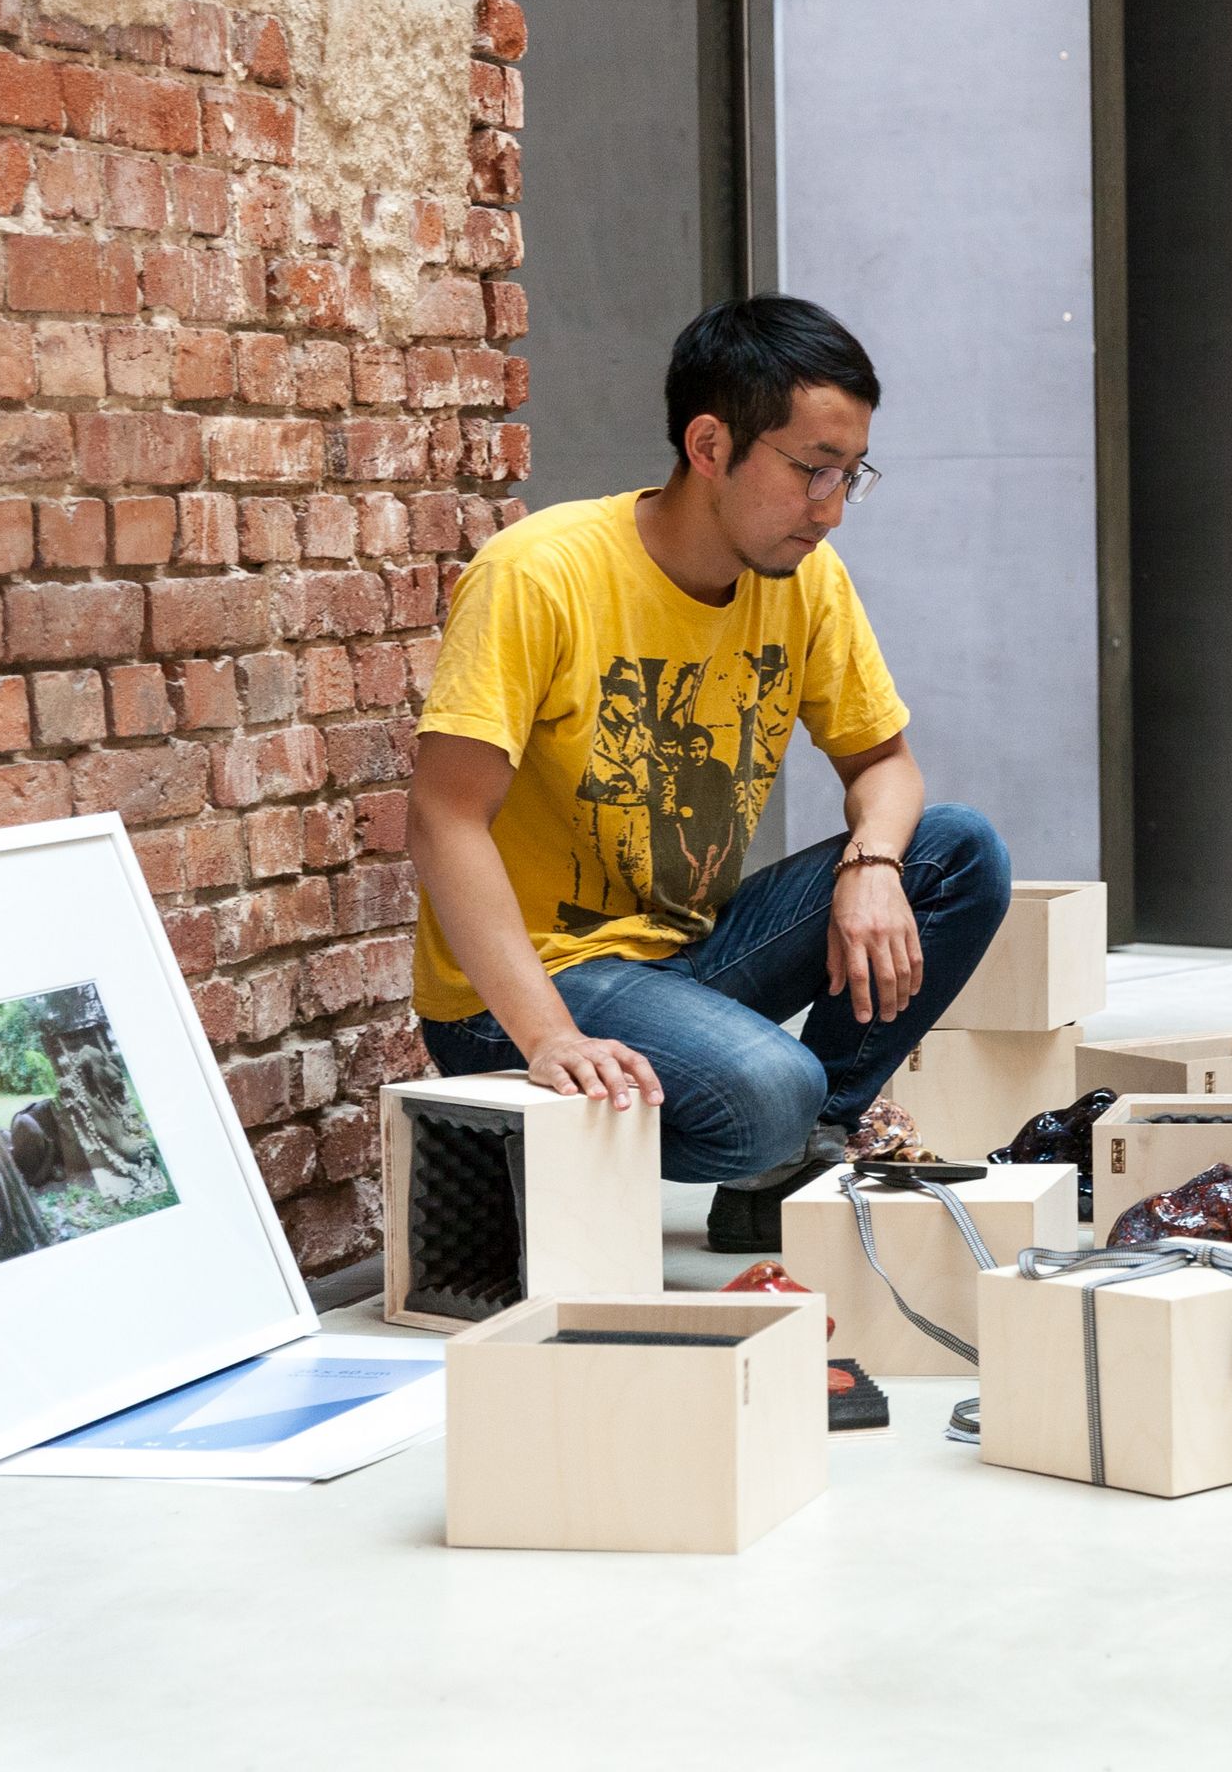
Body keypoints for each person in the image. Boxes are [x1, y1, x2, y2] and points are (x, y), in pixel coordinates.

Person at [407, 296, 1012, 1252]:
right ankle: (774, 1132)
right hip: (524, 994)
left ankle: (802, 1152)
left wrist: (871, 868)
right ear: (708, 444)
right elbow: (443, 821)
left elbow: (886, 765)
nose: (833, 510)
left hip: (683, 960)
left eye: (853, 475)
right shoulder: (540, 575)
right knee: (766, 1088)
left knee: (957, 850)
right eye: (813, 471)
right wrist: (547, 1038)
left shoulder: (804, 578)